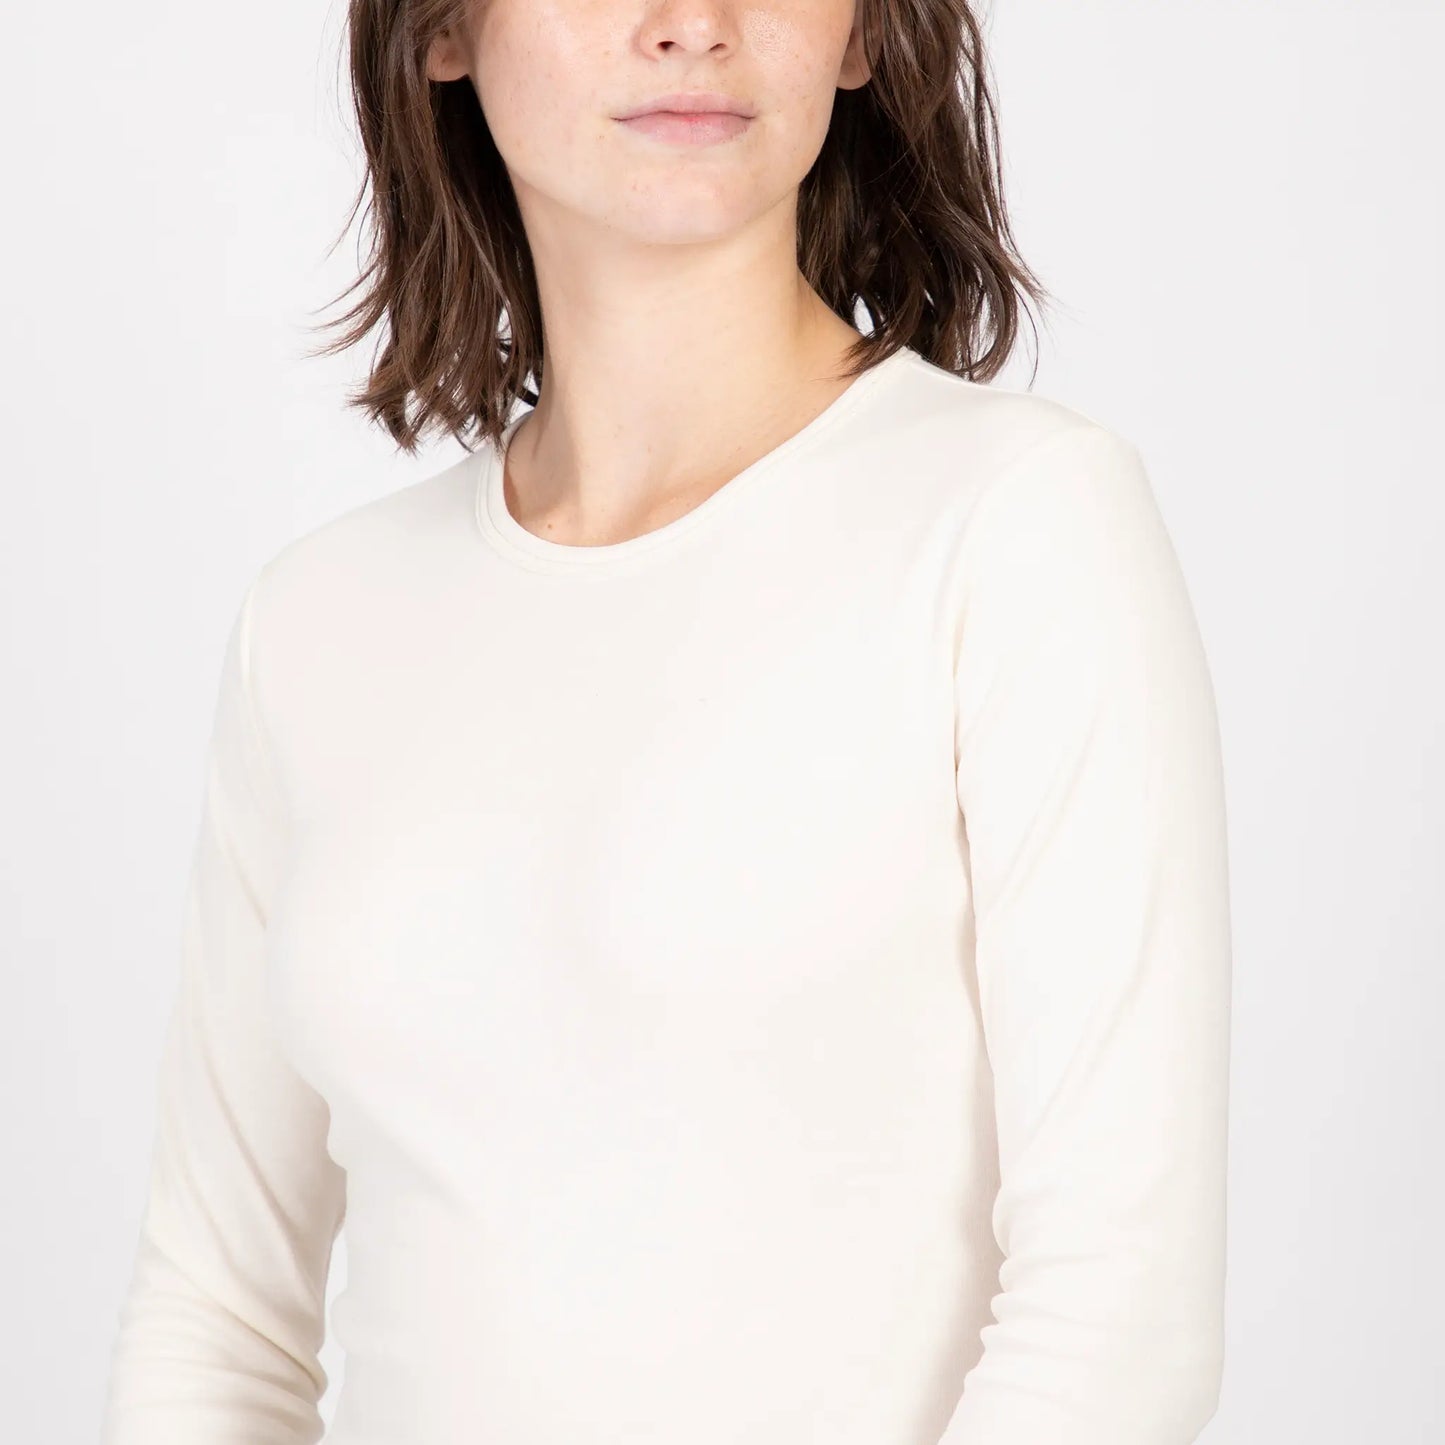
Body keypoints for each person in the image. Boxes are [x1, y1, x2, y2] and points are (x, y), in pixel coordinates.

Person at [99, 2, 1232, 1443]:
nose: (691, 23)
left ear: (860, 36)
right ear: (442, 30)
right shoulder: (317, 621)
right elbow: (216, 1328)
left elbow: (1118, 1324)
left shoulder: (1017, 527)